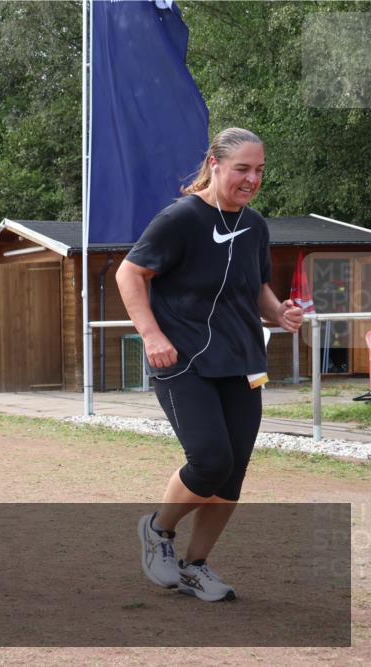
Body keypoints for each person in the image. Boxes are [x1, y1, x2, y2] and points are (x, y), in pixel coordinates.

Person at [115, 128, 304, 602]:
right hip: (183, 361)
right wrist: (152, 335)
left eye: (259, 170)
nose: (252, 178)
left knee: (233, 472)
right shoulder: (181, 219)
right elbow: (130, 272)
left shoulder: (256, 225)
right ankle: (158, 530)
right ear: (215, 164)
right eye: (242, 168)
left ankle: (195, 567)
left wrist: (279, 311)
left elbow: (257, 287)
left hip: (242, 363)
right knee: (211, 461)